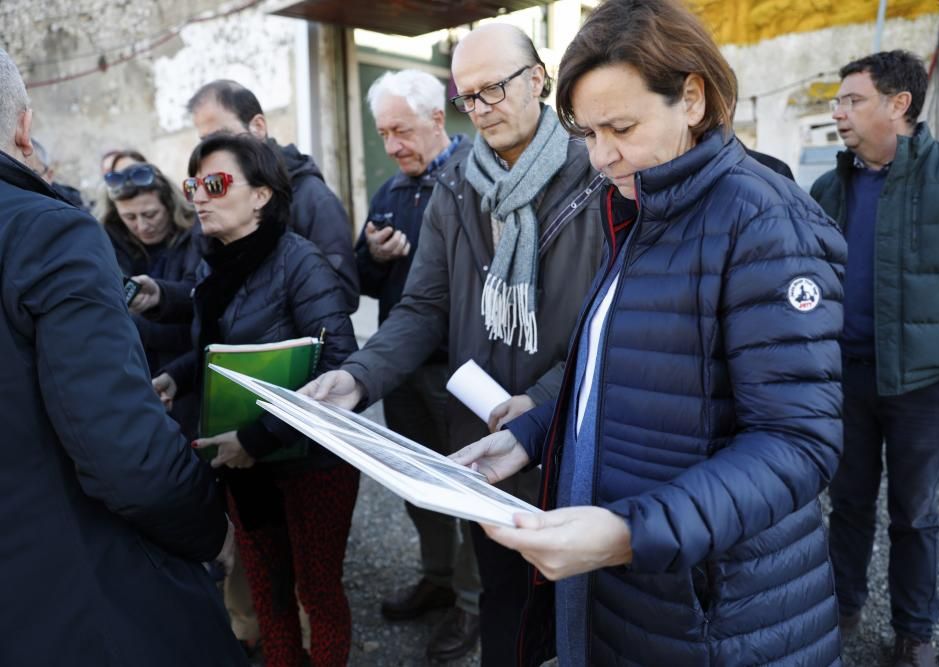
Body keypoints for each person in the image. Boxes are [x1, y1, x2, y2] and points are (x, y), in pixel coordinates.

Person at [450, 1, 848, 664]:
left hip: (717, 615)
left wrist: (628, 531)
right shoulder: (640, 208)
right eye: (587, 133)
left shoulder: (764, 223)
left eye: (621, 128)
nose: (603, 157)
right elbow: (614, 378)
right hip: (637, 594)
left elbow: (798, 444)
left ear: (691, 97)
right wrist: (525, 439)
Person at [302, 23, 606, 665]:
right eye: (470, 96)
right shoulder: (458, 185)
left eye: (495, 87)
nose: (483, 107)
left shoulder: (599, 172)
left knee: (583, 612)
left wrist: (546, 400)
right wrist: (358, 378)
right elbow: (424, 307)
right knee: (503, 606)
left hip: (573, 434)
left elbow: (612, 319)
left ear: (538, 79)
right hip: (482, 442)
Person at [0, 47, 247, 667]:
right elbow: (124, 454)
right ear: (25, 127)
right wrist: (209, 523)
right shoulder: (46, 231)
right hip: (80, 596)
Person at [810, 50, 939, 667]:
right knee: (848, 505)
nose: (838, 113)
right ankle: (841, 610)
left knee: (915, 515)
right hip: (846, 380)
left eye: (852, 100)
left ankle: (914, 633)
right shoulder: (827, 186)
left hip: (926, 385)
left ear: (900, 105)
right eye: (837, 101)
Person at [152, 132, 358, 667]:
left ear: (262, 195)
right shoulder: (212, 264)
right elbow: (217, 350)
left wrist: (259, 436)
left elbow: (339, 365)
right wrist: (178, 377)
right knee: (268, 597)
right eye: (193, 184)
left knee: (318, 594)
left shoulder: (301, 261)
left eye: (215, 183)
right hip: (242, 466)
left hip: (311, 464)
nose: (199, 196)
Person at [357, 69, 481, 659]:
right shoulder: (390, 193)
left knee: (467, 490)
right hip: (404, 369)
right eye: (383, 133)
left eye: (401, 130)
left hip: (463, 373)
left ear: (438, 119)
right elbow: (361, 281)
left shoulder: (476, 183)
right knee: (417, 486)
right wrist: (371, 257)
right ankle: (437, 576)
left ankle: (473, 602)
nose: (392, 146)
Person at [187, 80, 359, 311]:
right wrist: (161, 296)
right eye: (205, 141)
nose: (214, 149)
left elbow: (342, 296)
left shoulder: (313, 198)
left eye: (221, 135)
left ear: (258, 127)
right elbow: (202, 290)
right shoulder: (207, 201)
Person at [98, 161, 201, 438]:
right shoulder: (108, 241)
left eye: (150, 214)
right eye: (130, 217)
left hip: (188, 380)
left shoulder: (196, 236)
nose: (142, 226)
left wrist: (155, 305)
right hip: (136, 377)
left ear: (169, 204)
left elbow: (200, 310)